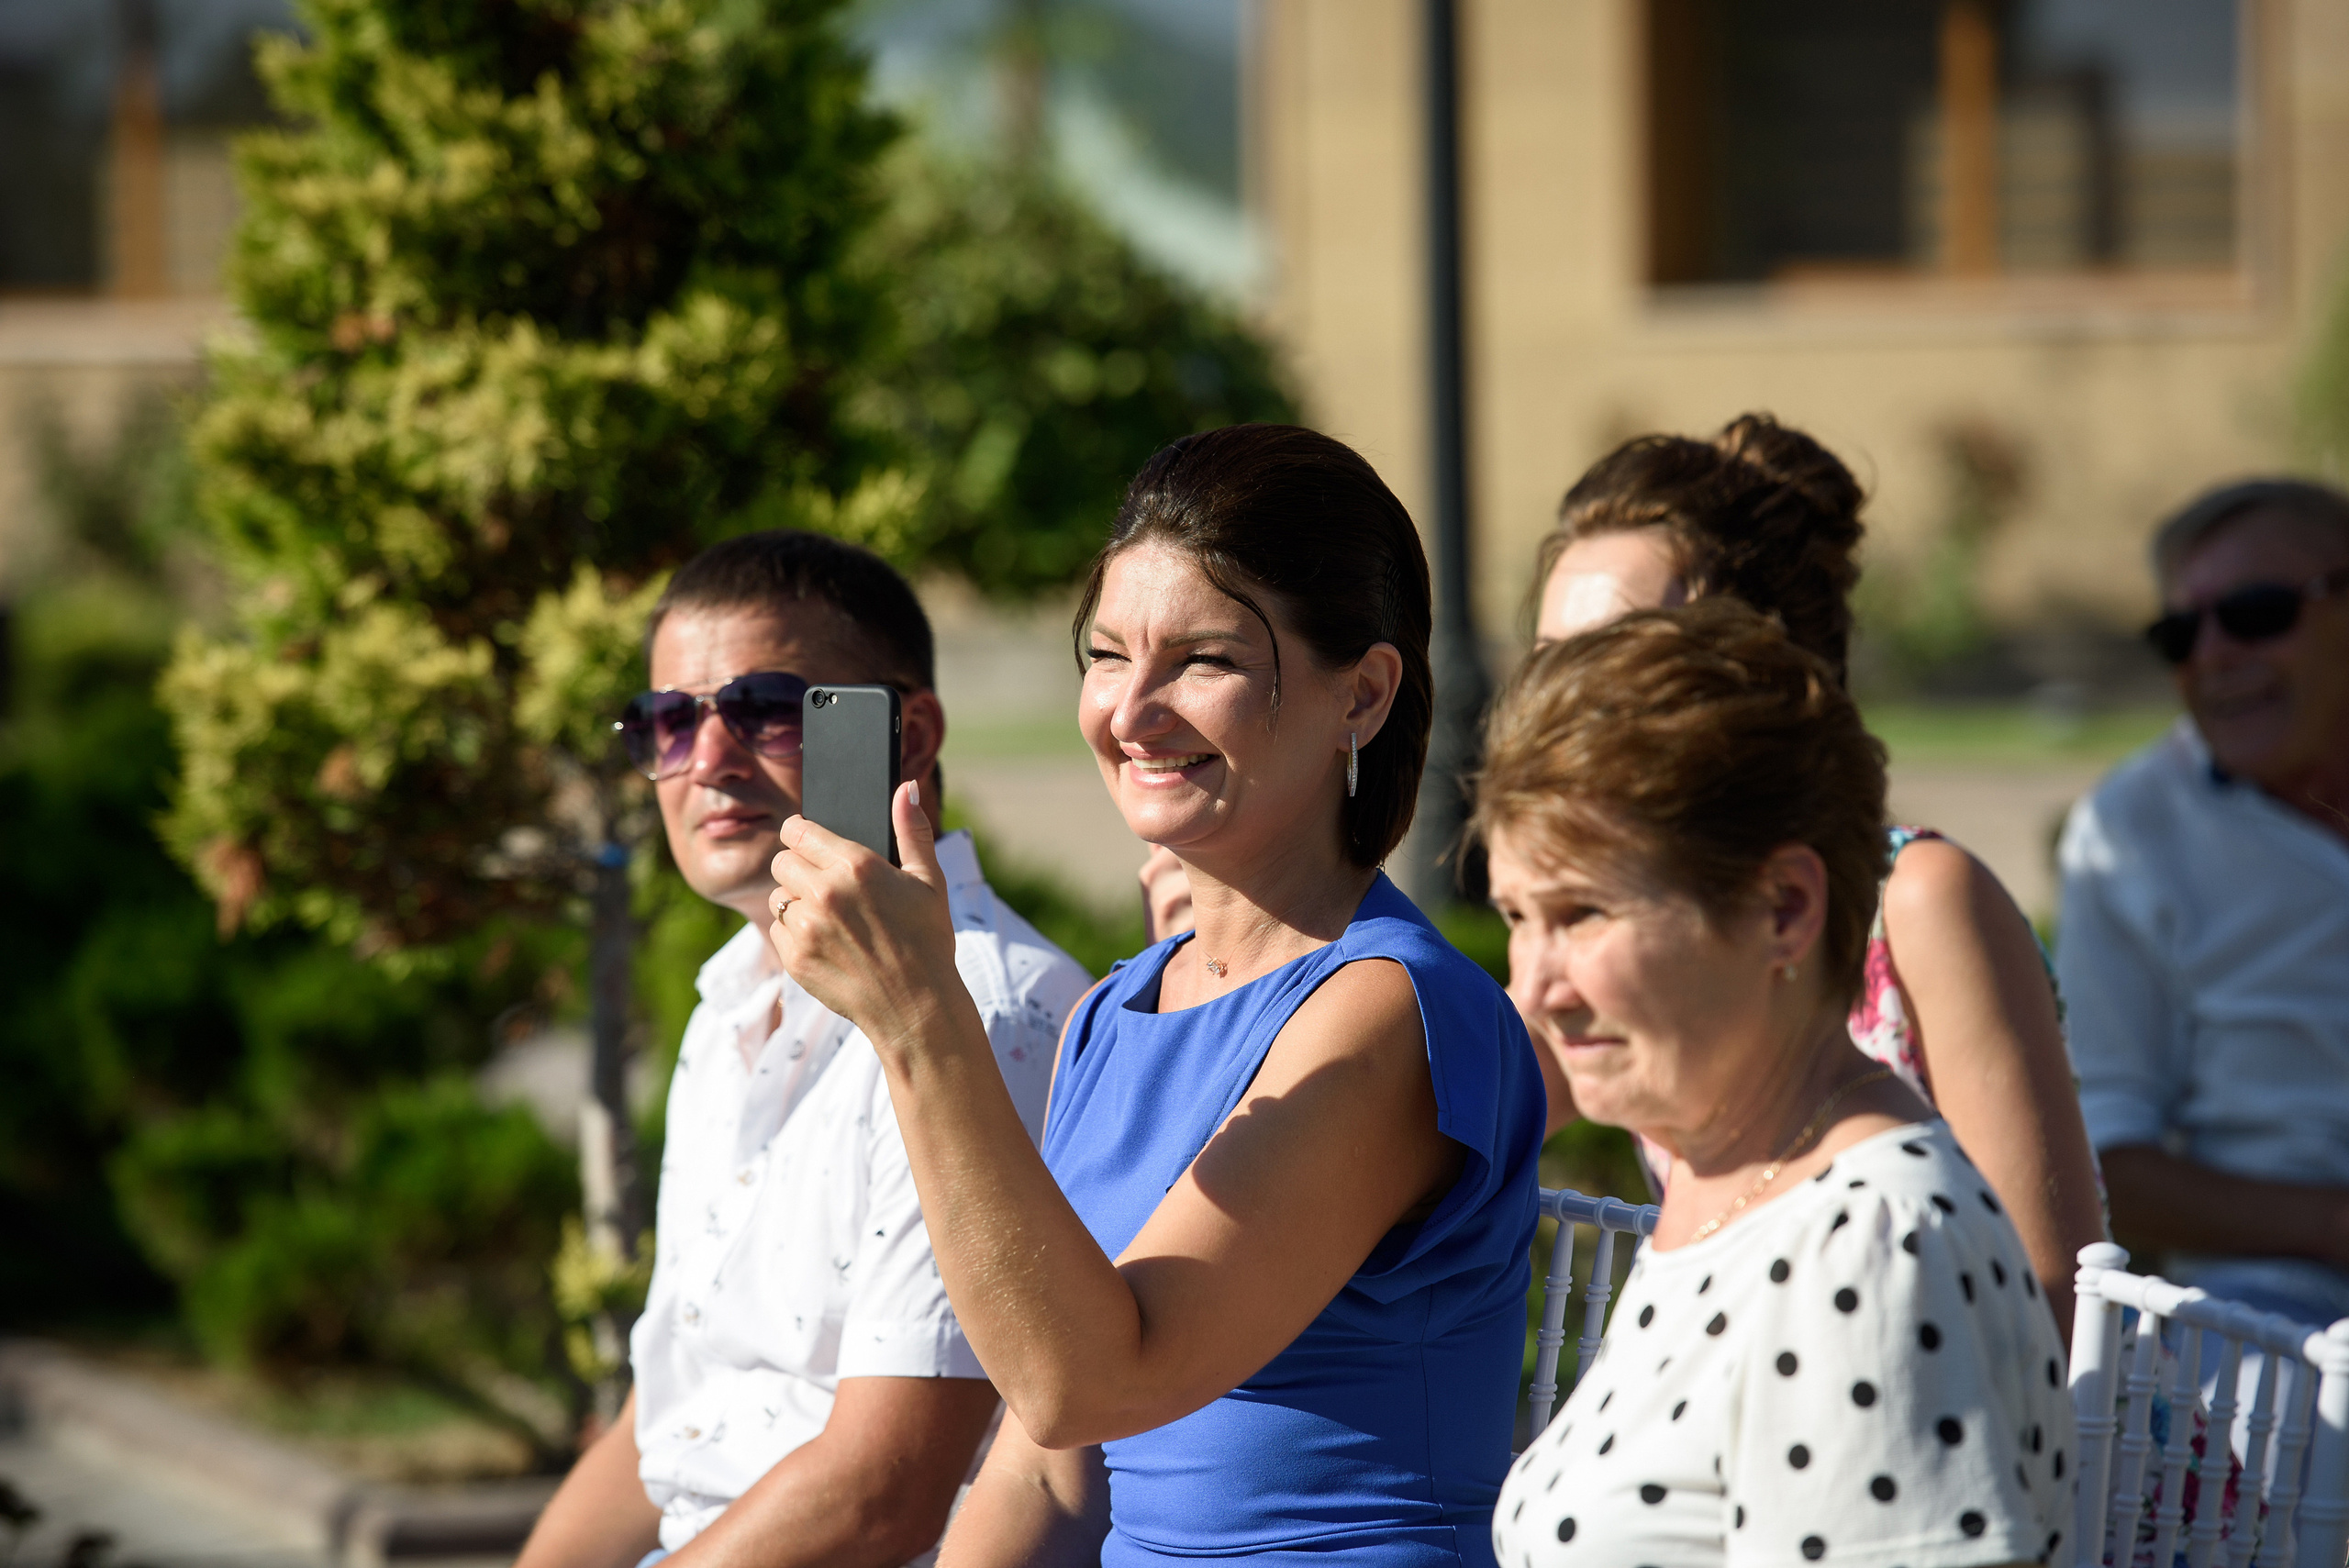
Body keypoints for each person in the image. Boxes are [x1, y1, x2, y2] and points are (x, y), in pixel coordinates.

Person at [762, 424, 1547, 1568]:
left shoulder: (1387, 1011)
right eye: (1106, 654)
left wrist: (920, 1019)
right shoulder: (1118, 1006)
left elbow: (1090, 1383)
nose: (1131, 711)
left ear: (1363, 695)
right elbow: (1045, 1466)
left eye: (1202, 660)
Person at [514, 532, 1094, 1568]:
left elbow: (885, 1493)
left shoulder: (988, 1013)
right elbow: (672, 1414)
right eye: (667, 721)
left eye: (768, 708)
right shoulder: (730, 1000)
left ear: (910, 734)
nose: (707, 759)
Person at [1485, 602, 2076, 1568]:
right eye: (1517, 916)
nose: (1537, 988)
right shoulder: (1739, 1181)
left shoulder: (1868, 1243)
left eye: (1583, 912)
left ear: (1785, 907)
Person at [1524, 415, 2105, 1334]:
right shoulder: (1607, 925)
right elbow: (1458, 1109)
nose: (1562, 710)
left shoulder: (1918, 898)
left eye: (1619, 659)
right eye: (1548, 664)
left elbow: (2049, 1300)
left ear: (1766, 668)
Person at [2056, 478, 2349, 1329]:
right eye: (2180, 633)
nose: (2213, 653)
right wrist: (2334, 1226)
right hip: (2278, 1298)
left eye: (2257, 613)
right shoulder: (2128, 830)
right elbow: (2102, 1160)